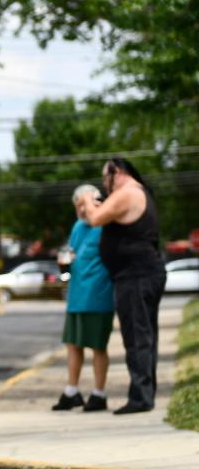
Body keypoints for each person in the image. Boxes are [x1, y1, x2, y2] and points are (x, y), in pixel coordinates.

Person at [77, 157, 166, 415]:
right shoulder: (136, 192)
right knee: (145, 336)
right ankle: (144, 393)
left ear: (118, 172)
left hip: (136, 275)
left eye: (106, 177)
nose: (104, 184)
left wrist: (85, 199)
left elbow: (95, 218)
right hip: (141, 273)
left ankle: (140, 397)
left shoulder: (127, 192)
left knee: (137, 337)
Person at [52, 184, 114, 412]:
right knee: (73, 344)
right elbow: (71, 253)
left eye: (84, 204)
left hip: (99, 294)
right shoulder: (78, 227)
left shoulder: (107, 224)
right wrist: (64, 262)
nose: (82, 210)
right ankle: (72, 391)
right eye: (78, 206)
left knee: (98, 346)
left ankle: (99, 394)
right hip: (76, 295)